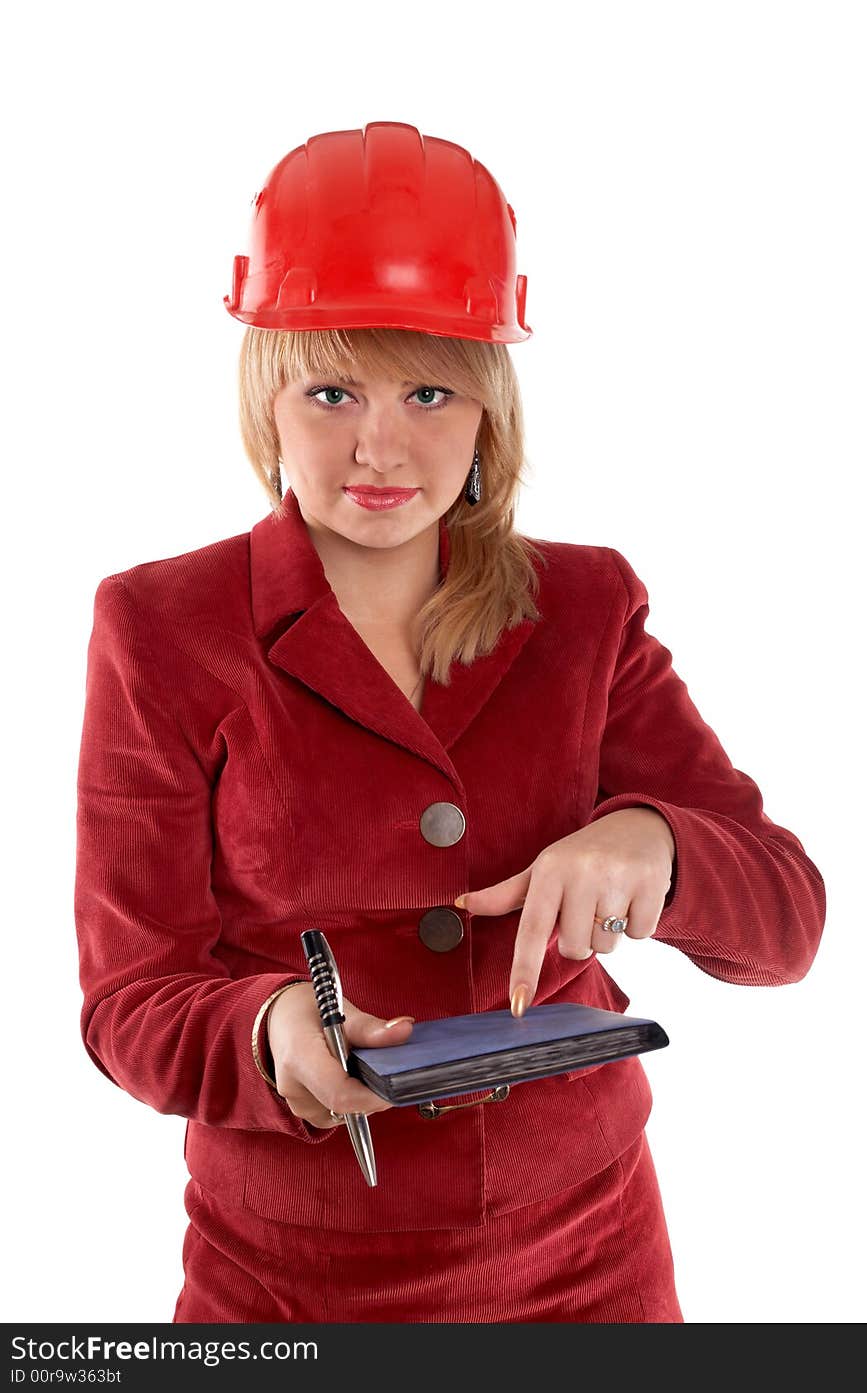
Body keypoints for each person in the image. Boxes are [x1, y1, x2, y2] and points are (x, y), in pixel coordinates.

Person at [74, 121, 826, 1325]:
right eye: (333, 392)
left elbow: (788, 922)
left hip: (592, 1260)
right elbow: (131, 998)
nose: (382, 446)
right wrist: (268, 1035)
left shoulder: (584, 607)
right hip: (289, 1279)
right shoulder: (161, 627)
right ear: (268, 399)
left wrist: (656, 843)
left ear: (490, 409)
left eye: (430, 391)